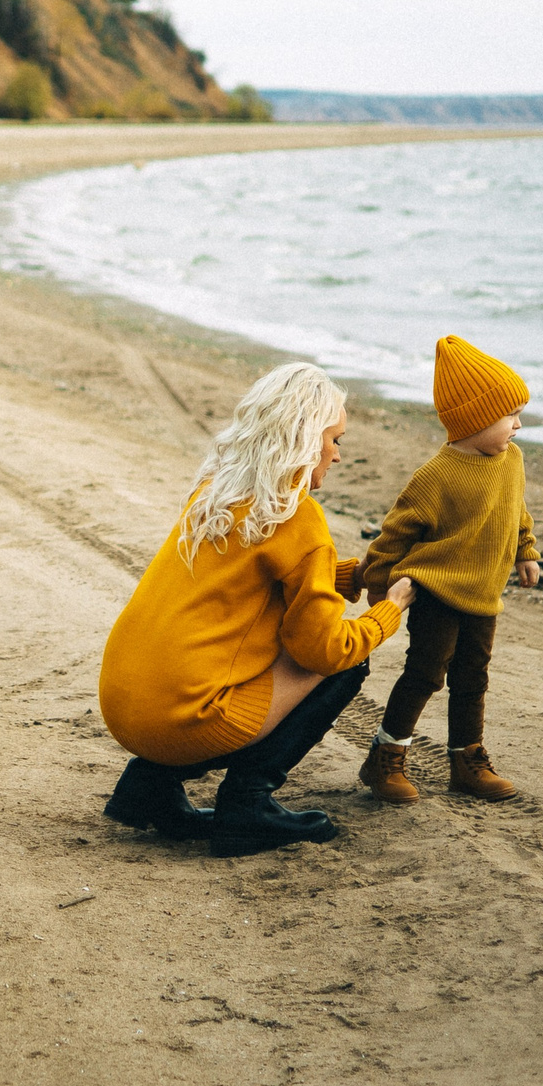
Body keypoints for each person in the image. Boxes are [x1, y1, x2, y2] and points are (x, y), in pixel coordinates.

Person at [97, 362, 412, 857]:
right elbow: (324, 649)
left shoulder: (217, 490)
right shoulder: (297, 514)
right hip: (183, 720)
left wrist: (351, 575)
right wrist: (388, 612)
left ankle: (148, 788)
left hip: (125, 706)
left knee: (254, 648)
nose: (336, 453)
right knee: (349, 660)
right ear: (305, 442)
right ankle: (248, 805)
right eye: (334, 439)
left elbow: (247, 581)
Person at [356, 335, 541, 804]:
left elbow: (516, 510)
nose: (518, 426)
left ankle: (467, 760)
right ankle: (385, 758)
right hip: (435, 590)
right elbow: (393, 535)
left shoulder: (511, 460)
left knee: (473, 676)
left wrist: (526, 550)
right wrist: (380, 589)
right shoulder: (435, 476)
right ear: (475, 420)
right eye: (509, 416)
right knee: (425, 673)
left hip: (484, 591)